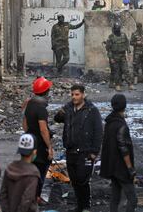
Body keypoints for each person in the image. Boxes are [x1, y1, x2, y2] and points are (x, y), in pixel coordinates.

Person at [54, 84, 103, 212]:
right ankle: (79, 206)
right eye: (72, 95)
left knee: (83, 180)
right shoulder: (69, 108)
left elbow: (98, 132)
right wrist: (61, 111)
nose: (74, 97)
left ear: (83, 94)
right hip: (71, 151)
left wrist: (94, 152)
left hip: (85, 152)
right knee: (75, 180)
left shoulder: (92, 110)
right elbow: (57, 119)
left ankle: (86, 206)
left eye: (77, 94)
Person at [100, 94, 137, 212]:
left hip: (111, 166)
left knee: (115, 196)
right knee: (133, 198)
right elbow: (123, 148)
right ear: (124, 106)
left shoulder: (110, 121)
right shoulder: (121, 125)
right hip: (121, 168)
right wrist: (130, 168)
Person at [23, 76, 54, 202]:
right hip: (40, 145)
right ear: (46, 92)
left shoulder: (29, 104)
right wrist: (49, 147)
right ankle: (35, 198)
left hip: (30, 142)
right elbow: (43, 129)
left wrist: (30, 134)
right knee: (40, 171)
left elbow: (24, 124)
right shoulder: (41, 108)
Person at [0, 134, 40, 212]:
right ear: (34, 152)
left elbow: (2, 195)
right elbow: (27, 199)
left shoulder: (10, 168)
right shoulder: (33, 173)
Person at [105, 22, 136, 91]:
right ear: (114, 29)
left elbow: (127, 43)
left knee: (126, 70)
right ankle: (117, 85)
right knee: (116, 71)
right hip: (114, 56)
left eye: (118, 28)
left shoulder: (123, 35)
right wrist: (111, 58)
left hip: (122, 56)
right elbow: (108, 49)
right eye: (116, 28)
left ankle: (130, 84)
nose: (117, 30)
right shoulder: (111, 37)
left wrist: (128, 52)